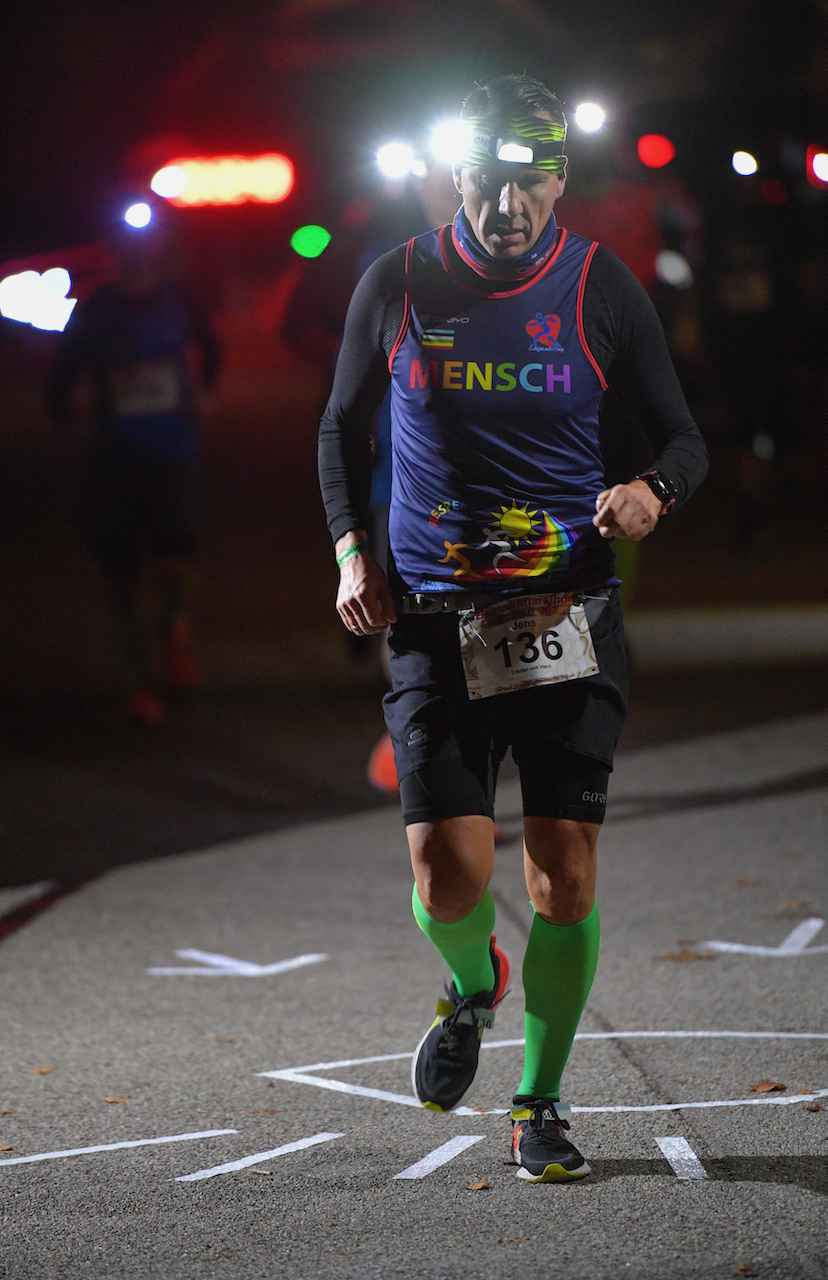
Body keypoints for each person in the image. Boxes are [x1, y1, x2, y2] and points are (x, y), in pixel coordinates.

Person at [318, 74, 707, 1182]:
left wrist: (650, 493)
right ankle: (471, 980)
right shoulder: (396, 281)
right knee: (446, 878)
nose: (508, 203)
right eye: (488, 180)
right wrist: (351, 550)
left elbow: (682, 437)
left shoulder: (597, 285)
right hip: (433, 619)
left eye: (531, 181)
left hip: (566, 615)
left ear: (556, 180)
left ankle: (536, 1098)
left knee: (561, 874)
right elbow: (340, 430)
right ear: (456, 177)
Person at [48, 200, 220, 723]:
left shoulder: (179, 299)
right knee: (121, 574)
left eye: (145, 248)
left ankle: (171, 636)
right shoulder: (95, 310)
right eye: (126, 249)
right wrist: (70, 409)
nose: (136, 257)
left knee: (175, 563)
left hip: (174, 452)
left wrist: (205, 394)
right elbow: (58, 382)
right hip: (115, 458)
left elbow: (212, 349)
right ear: (114, 254)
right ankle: (141, 682)